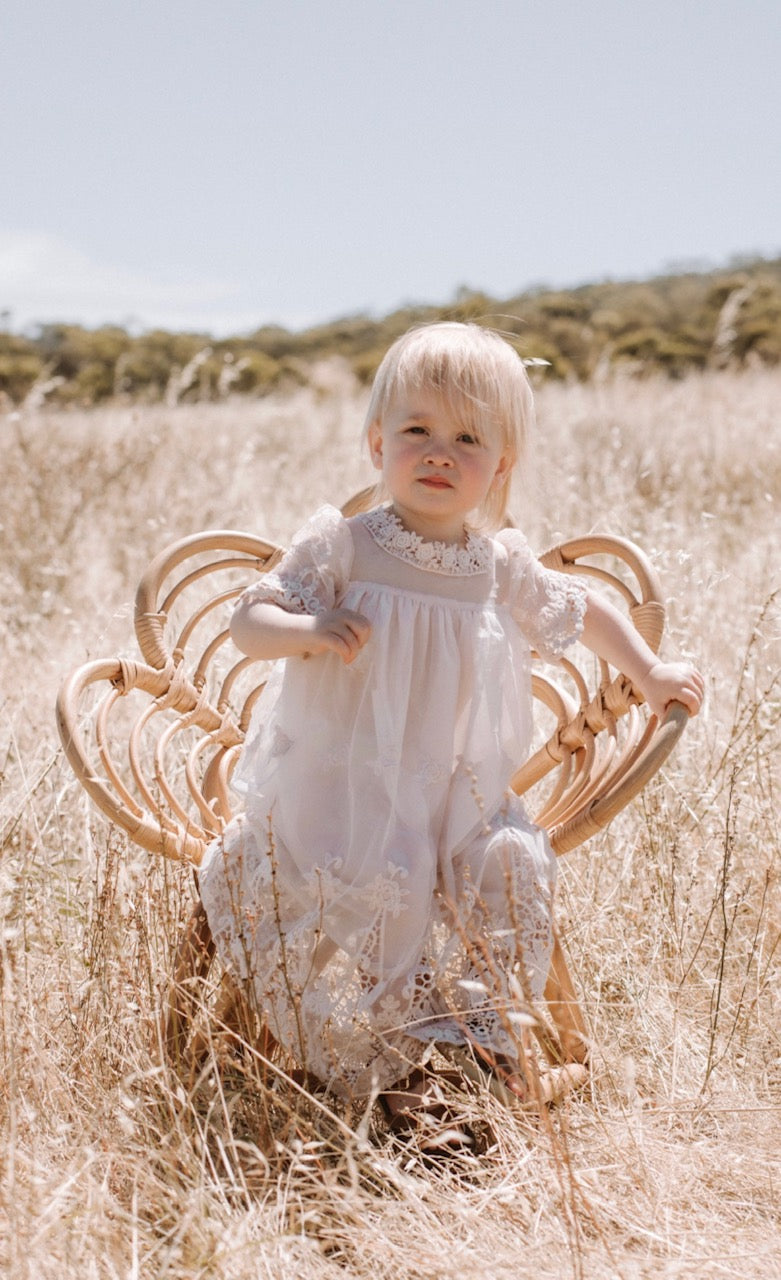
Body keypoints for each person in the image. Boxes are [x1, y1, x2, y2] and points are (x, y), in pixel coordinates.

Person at [198, 322, 703, 1131]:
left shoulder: (495, 563)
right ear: (376, 444)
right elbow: (249, 621)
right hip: (346, 787)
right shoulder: (345, 547)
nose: (439, 452)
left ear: (499, 464)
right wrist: (307, 630)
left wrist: (646, 672)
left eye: (467, 437)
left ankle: (486, 1038)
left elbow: (589, 608)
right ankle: (393, 1071)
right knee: (388, 886)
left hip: (457, 792)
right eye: (416, 431)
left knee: (510, 864)